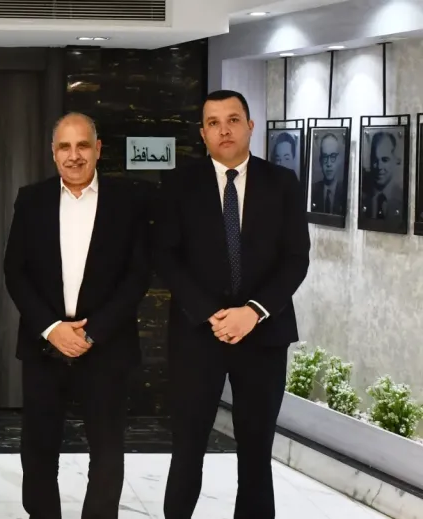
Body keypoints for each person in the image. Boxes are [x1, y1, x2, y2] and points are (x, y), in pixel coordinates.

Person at [155, 90, 310, 519]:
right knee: (187, 447)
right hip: (196, 335)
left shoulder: (282, 183)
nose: (224, 130)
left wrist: (253, 312)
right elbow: (165, 256)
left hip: (264, 335)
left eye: (233, 120)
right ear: (202, 132)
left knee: (257, 451)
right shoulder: (178, 184)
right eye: (213, 122)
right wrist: (211, 313)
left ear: (250, 126)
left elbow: (296, 258)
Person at [4, 113, 151, 519]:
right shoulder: (31, 199)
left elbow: (138, 275)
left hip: (106, 345)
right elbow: (15, 271)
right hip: (44, 346)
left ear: (98, 149)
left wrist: (92, 332)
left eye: (83, 145)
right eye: (65, 147)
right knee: (38, 450)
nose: (74, 155)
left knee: (107, 452)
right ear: (53, 153)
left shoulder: (129, 201)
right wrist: (52, 329)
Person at [362, 131, 402, 221]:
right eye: (375, 160)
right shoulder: (361, 197)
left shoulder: (403, 198)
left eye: (385, 160)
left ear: (395, 161)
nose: (379, 166)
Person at [310, 132, 346, 215]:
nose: (329, 163)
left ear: (339, 159)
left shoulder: (345, 191)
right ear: (320, 161)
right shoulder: (312, 190)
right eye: (325, 157)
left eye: (333, 156)